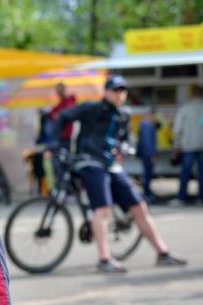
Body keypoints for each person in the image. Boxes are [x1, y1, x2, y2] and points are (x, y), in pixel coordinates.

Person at [51, 75, 186, 273]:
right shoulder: (92, 108)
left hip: (112, 166)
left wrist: (123, 149)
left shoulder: (124, 115)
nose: (120, 94)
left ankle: (162, 253)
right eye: (115, 90)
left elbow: (126, 141)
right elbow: (63, 116)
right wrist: (55, 144)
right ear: (106, 92)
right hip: (91, 162)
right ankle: (104, 259)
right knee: (103, 210)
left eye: (123, 90)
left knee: (140, 207)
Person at [171, 85, 203, 205]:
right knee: (202, 173)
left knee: (185, 172)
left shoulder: (185, 108)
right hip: (202, 146)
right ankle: (201, 198)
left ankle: (181, 198)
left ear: (192, 94)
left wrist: (176, 145)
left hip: (188, 146)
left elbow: (177, 129)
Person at [136, 108, 158, 204]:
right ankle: (147, 194)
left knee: (147, 174)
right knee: (147, 174)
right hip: (147, 154)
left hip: (145, 153)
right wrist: (152, 155)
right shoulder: (147, 126)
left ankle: (147, 193)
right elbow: (148, 142)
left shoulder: (143, 125)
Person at [47, 82, 77, 151]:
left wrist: (58, 115)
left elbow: (69, 114)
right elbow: (51, 115)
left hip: (65, 135)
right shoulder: (60, 104)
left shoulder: (69, 102)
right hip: (59, 135)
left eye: (60, 90)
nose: (59, 93)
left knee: (64, 156)